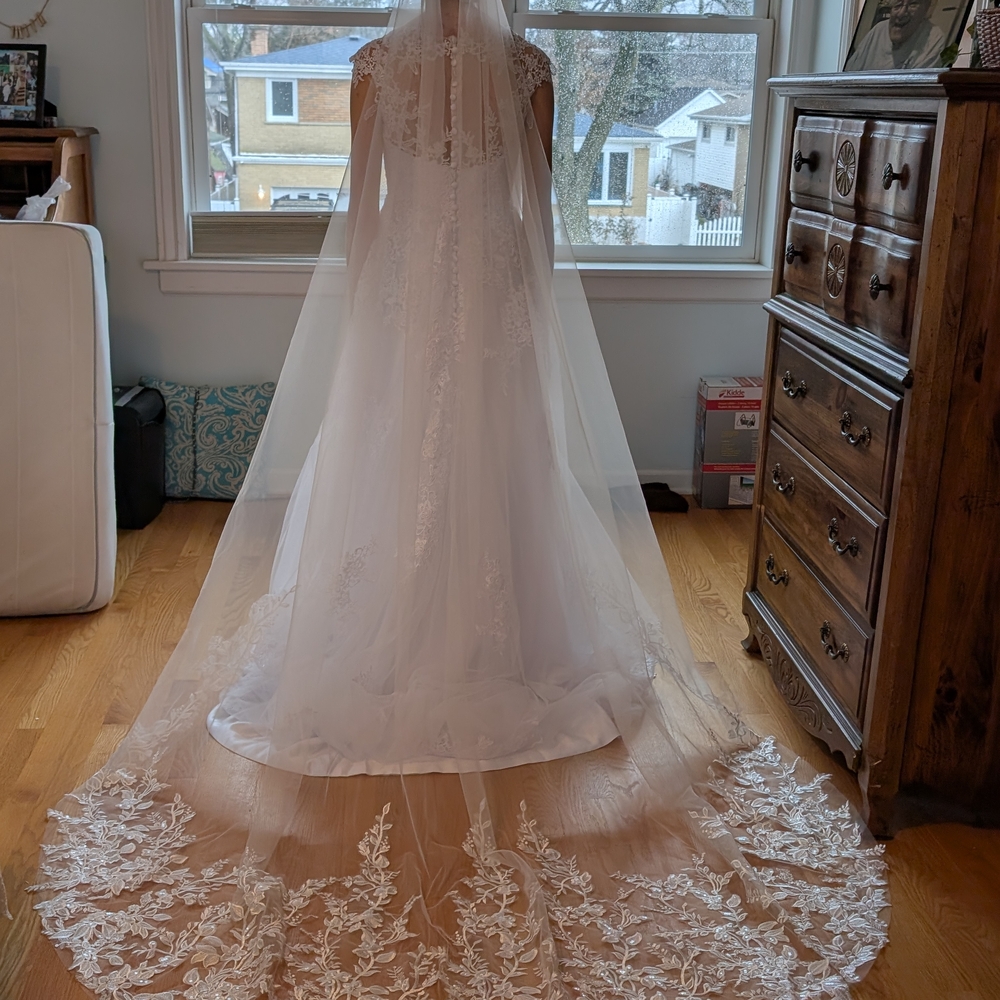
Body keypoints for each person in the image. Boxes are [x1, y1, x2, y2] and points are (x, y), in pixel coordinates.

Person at [31, 0, 889, 995]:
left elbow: (380, 211)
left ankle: (433, 634)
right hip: (482, 290)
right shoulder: (518, 68)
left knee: (434, 462)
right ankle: (487, 637)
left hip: (426, 288)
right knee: (472, 460)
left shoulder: (399, 66)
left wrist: (386, 313)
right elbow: (525, 214)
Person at [846, 0, 947, 71]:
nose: (901, 13)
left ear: (926, 8)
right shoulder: (879, 29)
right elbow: (849, 75)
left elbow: (915, 92)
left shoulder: (934, 37)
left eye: (913, 4)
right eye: (898, 4)